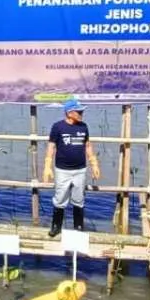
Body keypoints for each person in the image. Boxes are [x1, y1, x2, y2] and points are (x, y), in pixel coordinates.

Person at [43, 99, 101, 237]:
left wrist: (94, 163)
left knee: (79, 199)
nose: (82, 113)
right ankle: (56, 226)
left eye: (82, 111)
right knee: (60, 198)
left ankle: (79, 227)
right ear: (69, 113)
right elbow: (51, 146)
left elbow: (87, 145)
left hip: (80, 170)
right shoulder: (58, 127)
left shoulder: (83, 127)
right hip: (62, 170)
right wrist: (47, 165)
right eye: (79, 111)